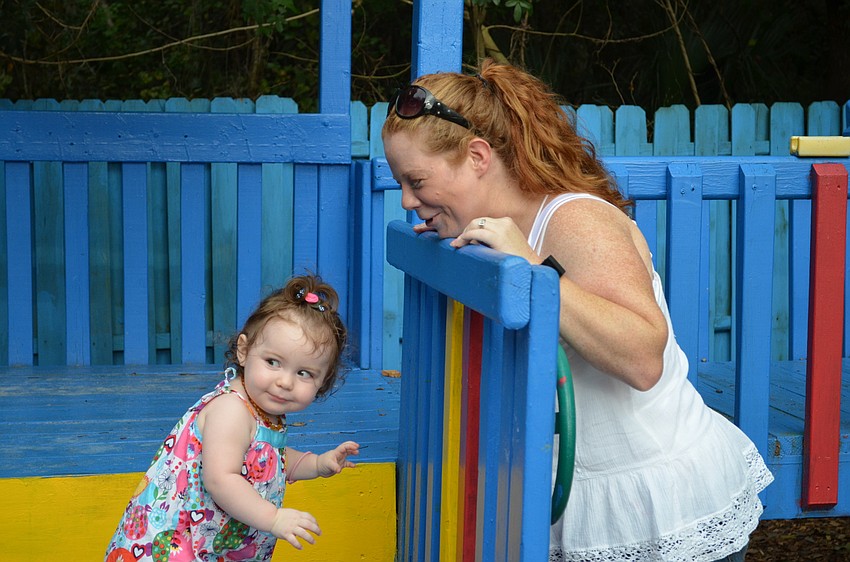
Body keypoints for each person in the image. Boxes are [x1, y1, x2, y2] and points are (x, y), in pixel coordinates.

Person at [382, 59, 773, 562]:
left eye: (417, 181)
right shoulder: (489, 230)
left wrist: (531, 268)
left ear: (478, 156)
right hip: (574, 492)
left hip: (655, 503)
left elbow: (643, 359)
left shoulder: (575, 221)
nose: (408, 201)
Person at [105, 275, 359, 561]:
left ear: (323, 382)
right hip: (172, 547)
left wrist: (317, 464)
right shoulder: (232, 410)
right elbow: (221, 479)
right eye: (273, 362)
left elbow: (267, 460)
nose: (285, 382)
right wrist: (273, 518)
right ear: (244, 351)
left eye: (304, 373)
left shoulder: (262, 411)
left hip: (210, 545)